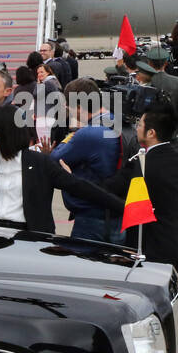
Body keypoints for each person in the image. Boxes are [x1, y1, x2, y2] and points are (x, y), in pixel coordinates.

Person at [0, 108, 123, 236]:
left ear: (7, 132)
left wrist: (123, 207)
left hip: (29, 238)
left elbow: (80, 187)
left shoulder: (39, 163)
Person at [95, 104, 178, 280]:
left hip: (151, 249)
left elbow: (108, 190)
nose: (136, 129)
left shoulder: (141, 163)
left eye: (140, 125)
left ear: (151, 133)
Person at [49, 79, 126, 242]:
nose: (65, 108)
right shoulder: (115, 120)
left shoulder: (88, 134)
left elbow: (55, 159)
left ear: (78, 107)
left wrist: (72, 135)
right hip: (117, 212)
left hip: (93, 218)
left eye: (68, 105)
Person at [132, 48, 178, 144]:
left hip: (148, 134)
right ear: (166, 63)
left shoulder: (143, 84)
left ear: (149, 64)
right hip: (171, 133)